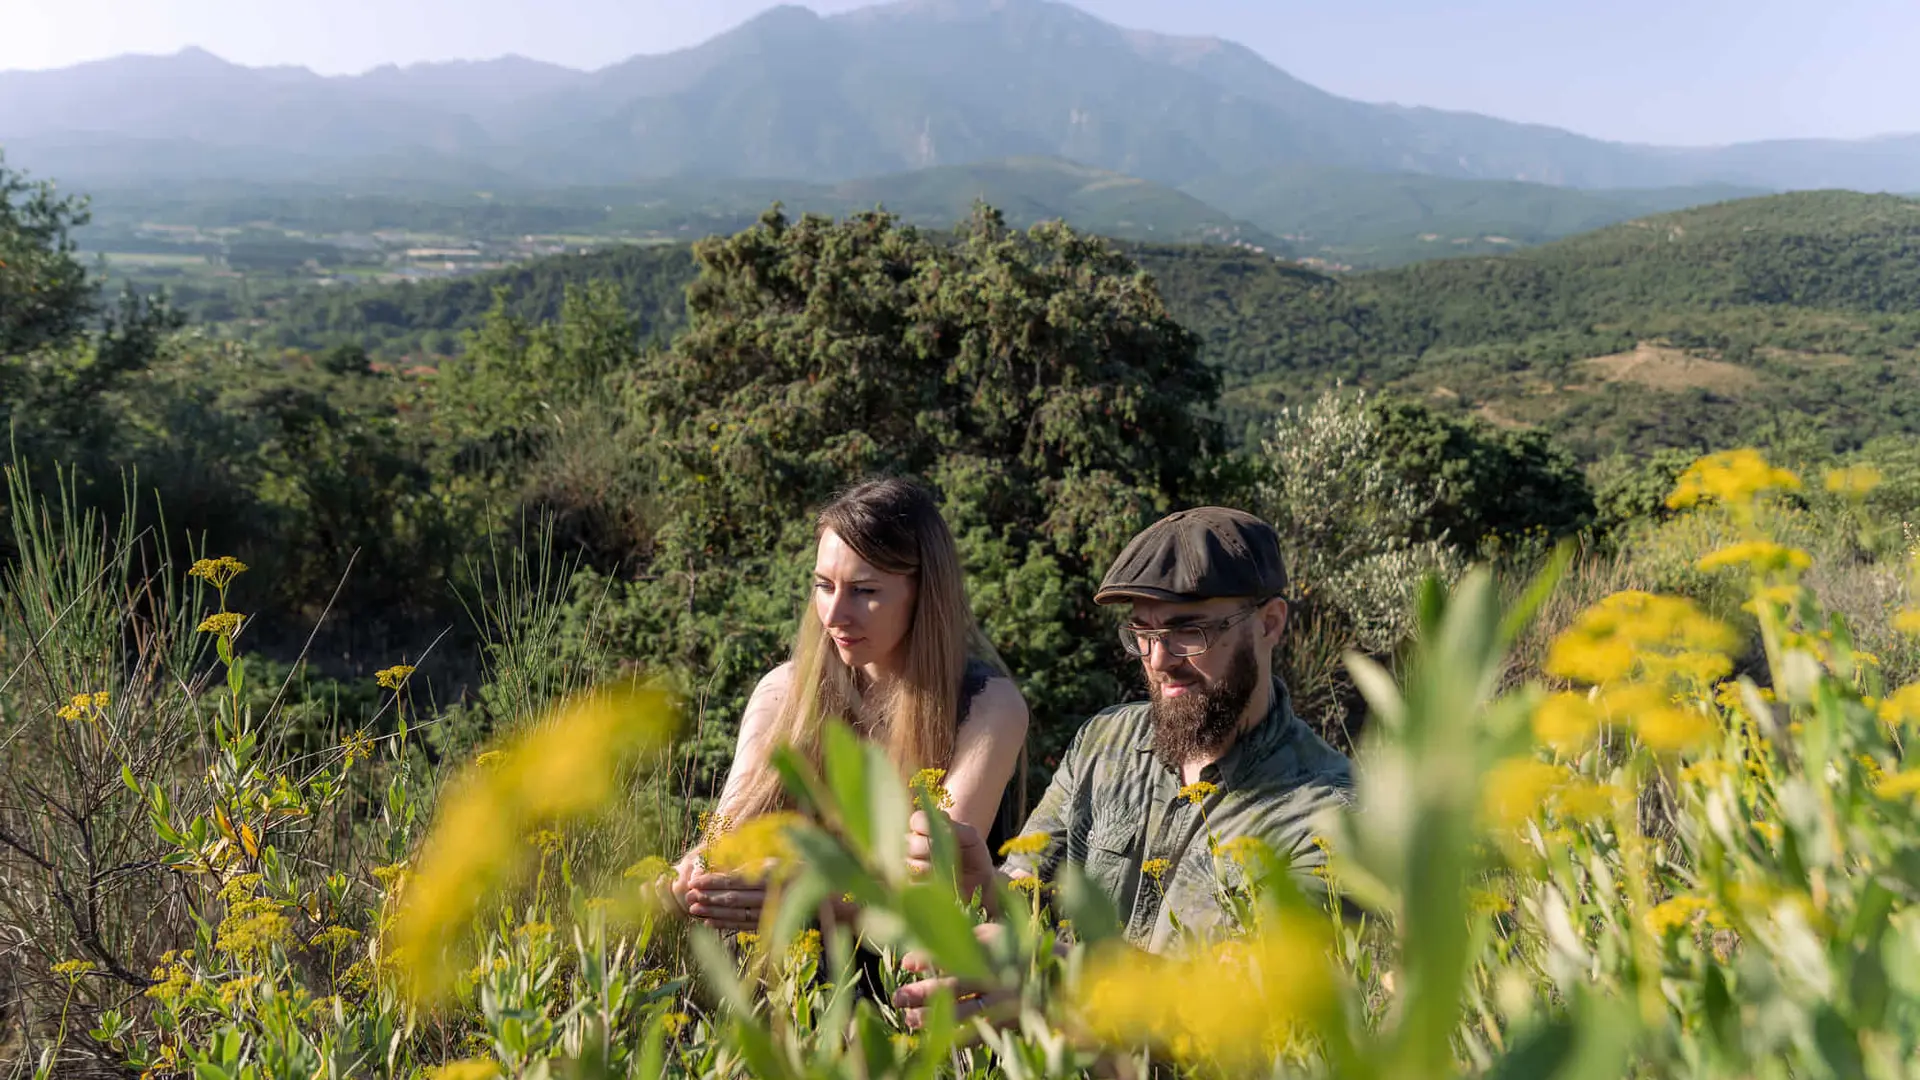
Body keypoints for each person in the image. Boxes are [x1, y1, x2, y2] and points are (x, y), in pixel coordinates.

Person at [895, 506, 1355, 1024]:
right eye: (1142, 633)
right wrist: (981, 887)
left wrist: (1067, 980)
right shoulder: (1105, 744)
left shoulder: (1330, 815)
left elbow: (1266, 1006)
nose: (1158, 661)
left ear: (1270, 623)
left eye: (1189, 632)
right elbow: (1028, 905)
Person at [667, 477, 1031, 931]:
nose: (835, 615)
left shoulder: (988, 706)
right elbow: (728, 823)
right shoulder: (784, 691)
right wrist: (696, 867)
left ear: (924, 593)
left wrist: (806, 896)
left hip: (912, 974)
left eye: (864, 591)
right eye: (824, 585)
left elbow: (930, 879)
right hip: (779, 977)